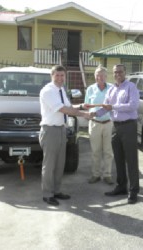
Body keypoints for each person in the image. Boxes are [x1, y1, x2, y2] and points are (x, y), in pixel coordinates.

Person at [39, 65, 91, 206]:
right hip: (50, 130)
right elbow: (63, 109)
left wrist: (81, 106)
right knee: (49, 165)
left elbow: (70, 106)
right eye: (58, 75)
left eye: (62, 76)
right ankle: (47, 194)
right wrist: (83, 114)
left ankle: (56, 191)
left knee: (60, 164)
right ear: (52, 76)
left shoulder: (61, 90)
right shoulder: (48, 91)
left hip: (61, 130)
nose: (60, 78)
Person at [94, 64, 140, 204]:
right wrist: (92, 114)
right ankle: (121, 186)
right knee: (118, 159)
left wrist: (113, 107)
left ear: (125, 72)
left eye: (120, 71)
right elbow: (105, 107)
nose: (117, 74)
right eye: (115, 72)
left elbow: (133, 105)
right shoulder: (112, 89)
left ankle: (133, 191)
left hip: (129, 127)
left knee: (131, 160)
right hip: (115, 127)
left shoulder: (131, 87)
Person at [83, 65, 114, 185]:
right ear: (95, 76)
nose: (99, 77)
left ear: (106, 76)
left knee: (108, 151)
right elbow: (86, 106)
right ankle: (95, 174)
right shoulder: (90, 89)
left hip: (108, 123)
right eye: (97, 75)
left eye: (102, 75)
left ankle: (107, 175)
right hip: (95, 123)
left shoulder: (111, 88)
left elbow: (114, 105)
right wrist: (88, 115)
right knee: (95, 151)